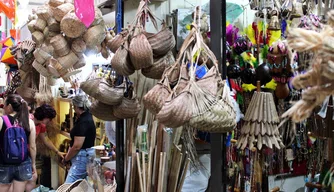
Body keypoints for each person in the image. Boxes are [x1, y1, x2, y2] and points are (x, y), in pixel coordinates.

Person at [24, 104, 66, 191]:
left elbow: (46, 139)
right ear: (45, 116)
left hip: (28, 154)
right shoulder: (27, 120)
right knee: (26, 178)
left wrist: (57, 151)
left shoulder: (41, 125)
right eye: (49, 119)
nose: (50, 121)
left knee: (32, 177)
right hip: (20, 153)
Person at [0, 94, 36, 192]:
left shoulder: (1, 121)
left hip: (4, 163)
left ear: (9, 106)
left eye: (4, 105)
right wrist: (33, 164)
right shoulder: (29, 122)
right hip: (23, 163)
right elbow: (32, 147)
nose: (3, 107)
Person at [63, 94, 96, 183]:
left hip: (82, 157)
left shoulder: (83, 121)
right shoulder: (88, 116)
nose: (74, 109)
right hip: (85, 155)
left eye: (74, 107)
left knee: (68, 186)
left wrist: (66, 158)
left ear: (77, 106)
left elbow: (77, 146)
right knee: (82, 186)